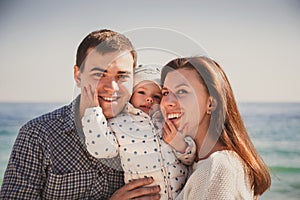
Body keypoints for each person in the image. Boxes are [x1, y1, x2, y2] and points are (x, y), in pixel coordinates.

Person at [0, 29, 161, 199]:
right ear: (78, 75)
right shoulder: (37, 134)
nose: (111, 87)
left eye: (122, 76)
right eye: (99, 74)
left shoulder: (153, 132)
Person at [160, 56, 271, 199]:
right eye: (165, 93)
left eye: (182, 91)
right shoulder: (197, 163)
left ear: (211, 104)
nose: (167, 102)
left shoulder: (218, 167)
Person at [81, 64, 196, 200]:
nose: (149, 99)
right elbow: (102, 150)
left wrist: (180, 145)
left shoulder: (168, 121)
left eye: (157, 96)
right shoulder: (118, 122)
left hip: (182, 195)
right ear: (130, 95)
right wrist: (93, 112)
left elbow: (190, 159)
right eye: (141, 92)